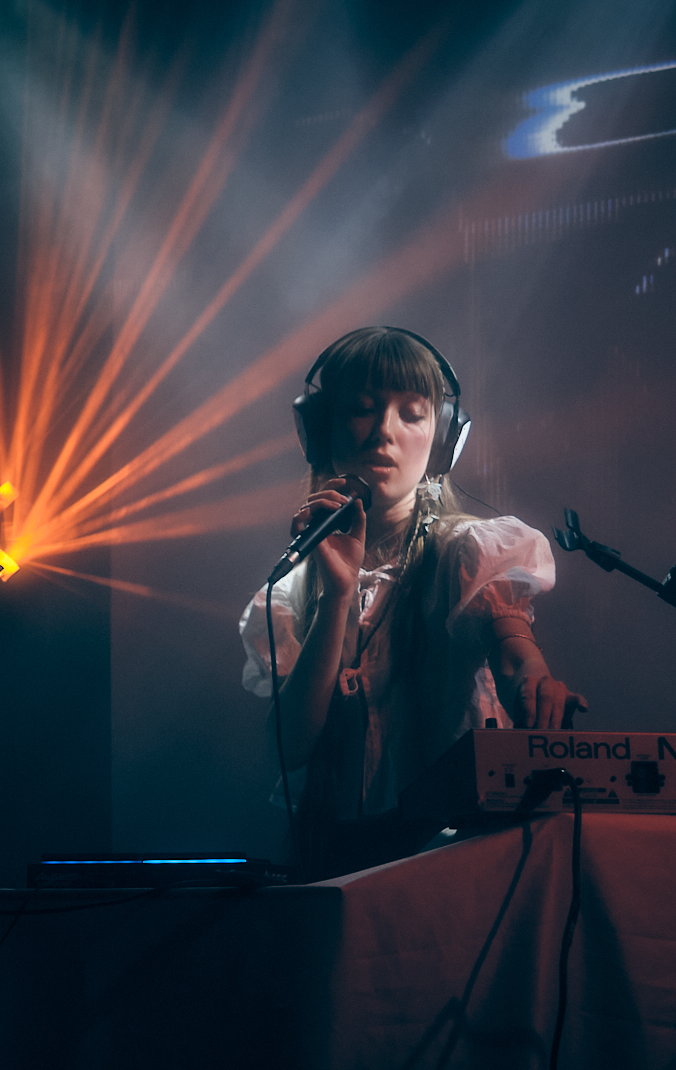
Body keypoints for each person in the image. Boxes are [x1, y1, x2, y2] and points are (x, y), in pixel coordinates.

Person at [239, 326, 584, 879]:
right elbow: (292, 744)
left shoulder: (470, 551)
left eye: (412, 414)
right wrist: (338, 595)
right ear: (321, 429)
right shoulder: (288, 592)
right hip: (333, 864)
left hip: (455, 859)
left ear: (443, 438)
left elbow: (516, 654)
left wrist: (536, 685)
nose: (384, 432)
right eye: (362, 409)